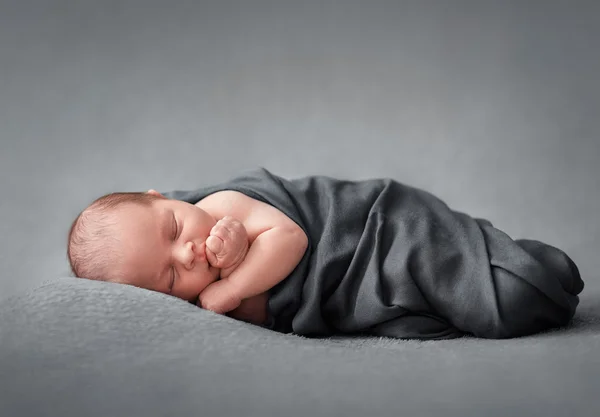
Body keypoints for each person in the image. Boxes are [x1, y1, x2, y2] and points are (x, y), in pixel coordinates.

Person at [67, 167, 584, 340]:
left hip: (376, 230)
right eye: (169, 278)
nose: (188, 253)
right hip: (360, 290)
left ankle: (530, 265)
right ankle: (511, 263)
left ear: (164, 198)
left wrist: (230, 284)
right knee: (441, 312)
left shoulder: (223, 206)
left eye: (175, 227)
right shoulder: (199, 308)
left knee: (504, 301)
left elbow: (289, 239)